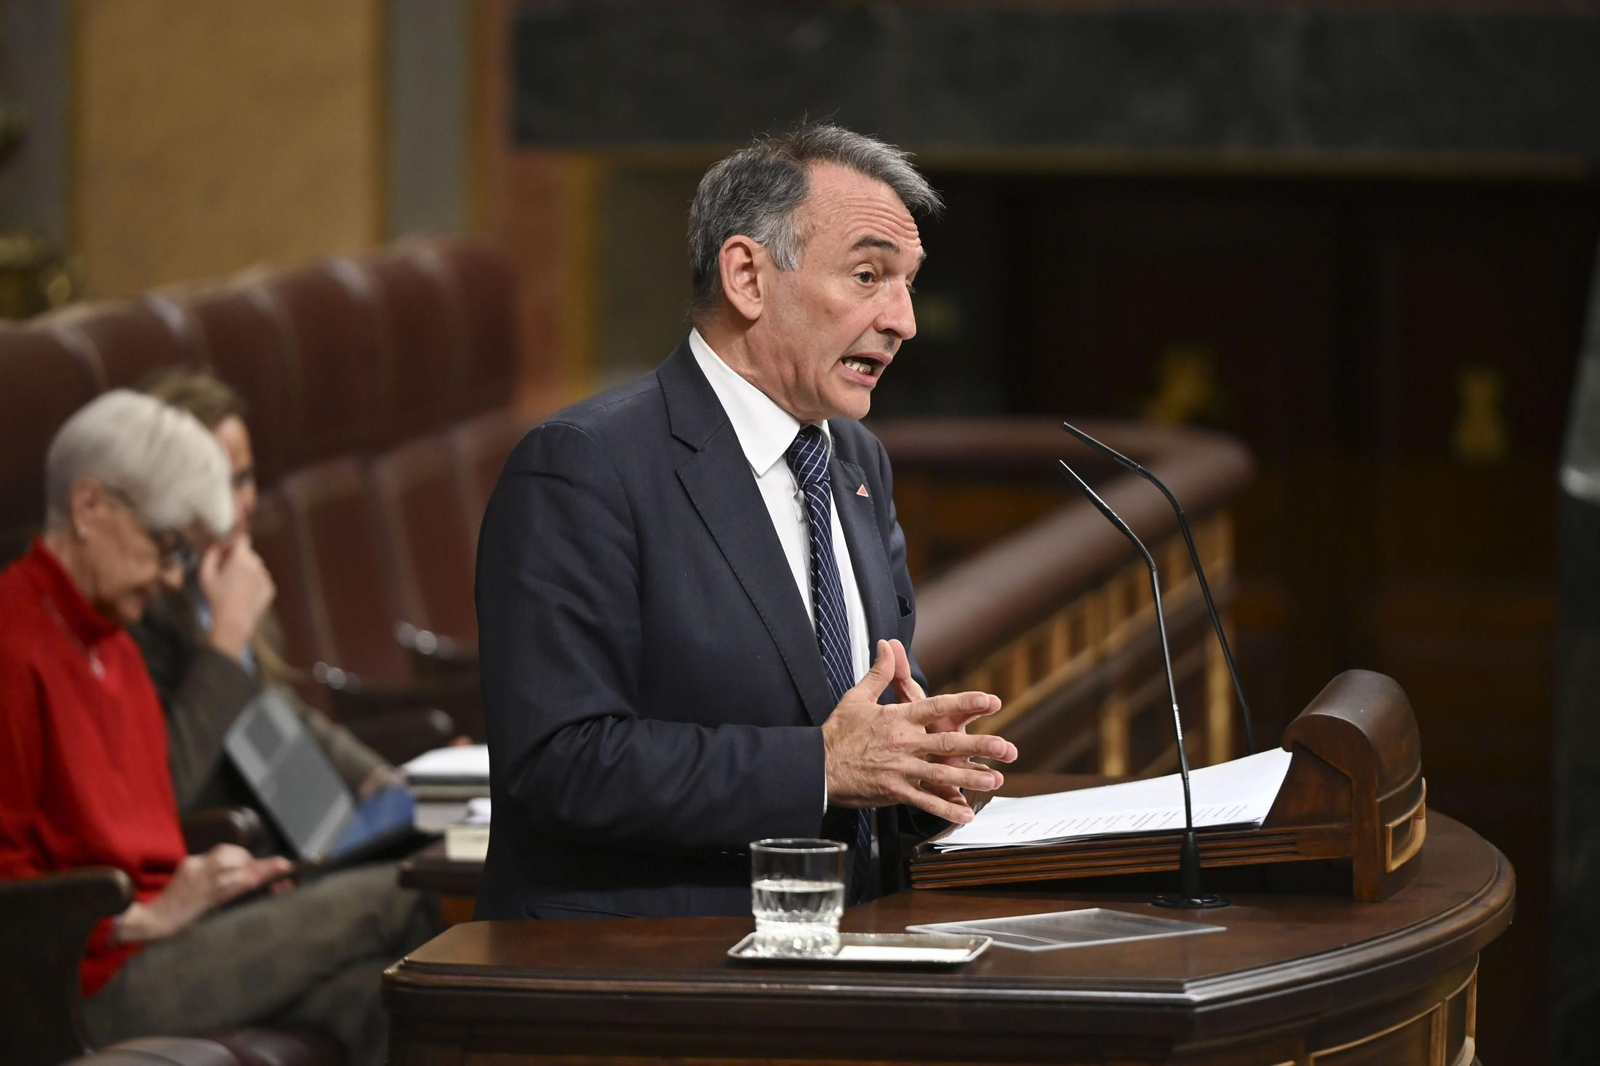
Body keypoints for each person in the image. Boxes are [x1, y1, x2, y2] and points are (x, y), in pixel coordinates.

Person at [475, 122, 1018, 923]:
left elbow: (855, 710)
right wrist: (819, 768)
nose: (902, 319)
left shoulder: (857, 461)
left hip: (854, 951)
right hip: (654, 978)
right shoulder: (584, 468)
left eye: (907, 283)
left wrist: (925, 760)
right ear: (747, 277)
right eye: (869, 275)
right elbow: (557, 763)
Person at [0, 390, 433, 1066]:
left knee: (379, 1000)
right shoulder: (12, 641)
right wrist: (141, 917)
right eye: (165, 546)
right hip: (89, 980)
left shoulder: (113, 640)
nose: (174, 576)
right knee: (416, 894)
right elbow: (13, 884)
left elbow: (143, 828)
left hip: (167, 939)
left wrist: (215, 880)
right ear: (89, 507)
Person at [131, 368, 402, 824]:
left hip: (300, 831)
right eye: (217, 485)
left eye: (244, 479)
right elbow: (168, 786)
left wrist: (384, 783)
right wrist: (228, 635)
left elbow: (276, 710)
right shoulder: (142, 610)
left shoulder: (229, 572)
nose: (240, 506)